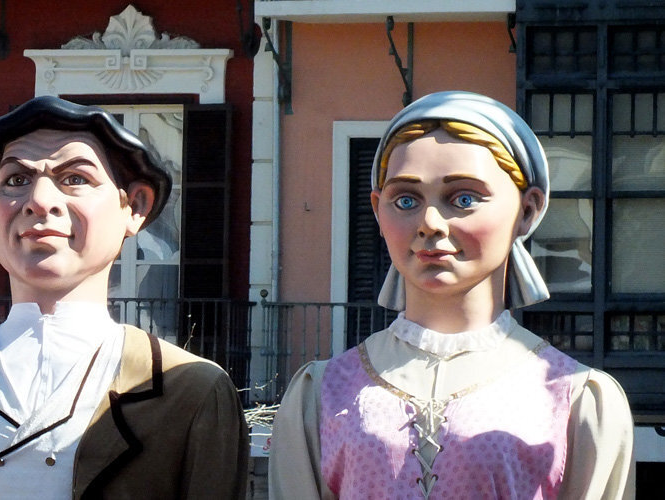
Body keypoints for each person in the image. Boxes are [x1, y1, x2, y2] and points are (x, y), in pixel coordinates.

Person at [0, 96, 250, 499]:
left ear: (134, 206)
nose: (40, 202)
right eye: (16, 180)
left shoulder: (192, 391)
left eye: (75, 179)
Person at [268, 91, 634, 499]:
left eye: (463, 199)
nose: (430, 223)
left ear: (527, 210)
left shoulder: (576, 400)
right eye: (406, 200)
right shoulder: (320, 395)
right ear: (377, 208)